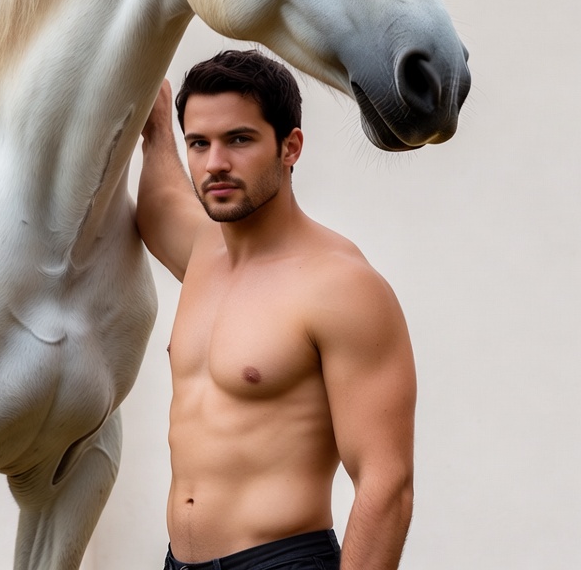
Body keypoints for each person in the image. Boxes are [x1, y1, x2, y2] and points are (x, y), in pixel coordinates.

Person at [137, 49, 416, 570]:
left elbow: (387, 484)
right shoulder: (203, 254)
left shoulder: (340, 286)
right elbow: (157, 208)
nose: (215, 163)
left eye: (239, 140)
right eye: (199, 143)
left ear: (291, 147)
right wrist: (156, 126)